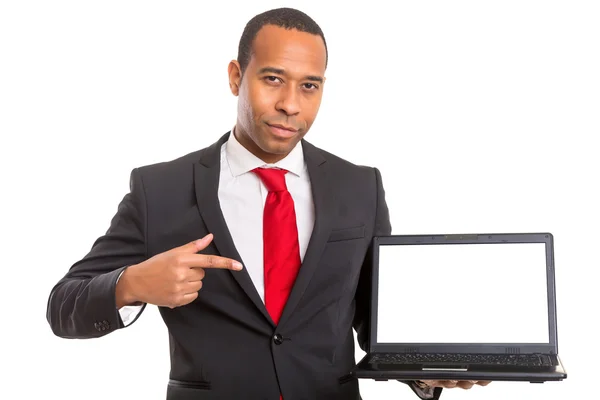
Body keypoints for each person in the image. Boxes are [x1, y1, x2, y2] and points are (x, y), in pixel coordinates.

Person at [46, 7, 490, 400]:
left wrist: (430, 373)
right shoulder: (159, 189)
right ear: (236, 76)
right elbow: (63, 307)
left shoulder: (360, 186)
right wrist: (131, 283)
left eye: (309, 86)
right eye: (273, 79)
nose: (290, 105)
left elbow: (377, 324)